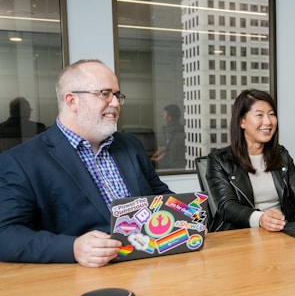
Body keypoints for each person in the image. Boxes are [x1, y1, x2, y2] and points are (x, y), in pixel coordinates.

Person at [0, 59, 172, 267]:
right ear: (72, 101)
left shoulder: (131, 145)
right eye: (104, 94)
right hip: (82, 279)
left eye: (117, 95)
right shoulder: (21, 161)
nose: (116, 103)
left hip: (150, 264)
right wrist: (72, 248)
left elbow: (160, 196)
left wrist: (186, 221)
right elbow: (6, 235)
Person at [206, 89, 295, 232]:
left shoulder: (282, 155)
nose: (268, 121)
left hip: (282, 233)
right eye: (259, 115)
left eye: (271, 114)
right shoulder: (219, 160)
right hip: (239, 236)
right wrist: (261, 218)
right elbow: (226, 206)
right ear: (242, 121)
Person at [150, 103, 186, 169]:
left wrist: (150, 160)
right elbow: (169, 147)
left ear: (169, 118)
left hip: (174, 166)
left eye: (164, 115)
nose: (163, 118)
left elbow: (170, 153)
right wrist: (162, 150)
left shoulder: (178, 133)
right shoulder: (172, 130)